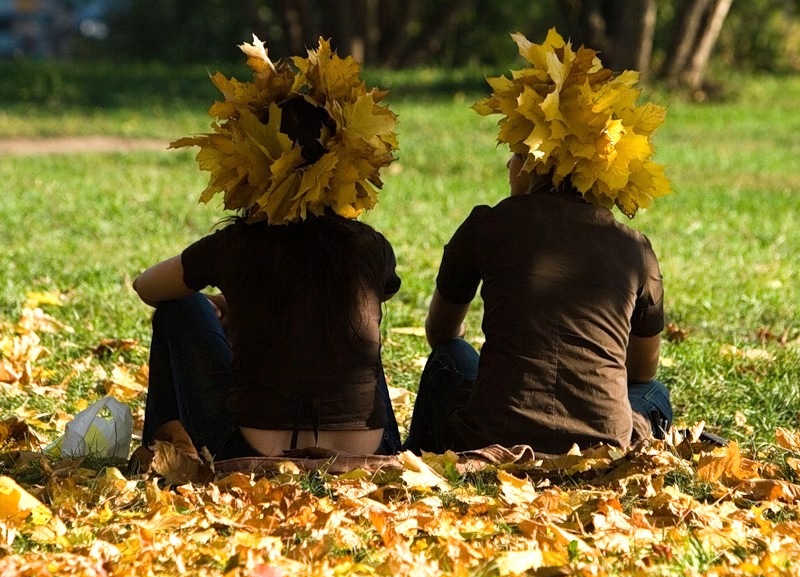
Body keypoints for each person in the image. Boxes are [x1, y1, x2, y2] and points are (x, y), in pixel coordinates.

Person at [403, 29, 673, 456]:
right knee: (653, 394)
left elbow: (441, 332)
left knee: (450, 356)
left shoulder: (488, 223)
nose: (509, 166)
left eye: (516, 153)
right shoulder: (634, 248)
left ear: (534, 163)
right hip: (602, 447)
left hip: (488, 437)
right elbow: (641, 371)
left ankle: (417, 453)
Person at [132, 37, 402, 461]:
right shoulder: (370, 246)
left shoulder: (238, 245)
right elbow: (319, 299)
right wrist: (241, 303)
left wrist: (219, 301)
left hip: (249, 452)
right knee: (351, 322)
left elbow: (147, 287)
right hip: (369, 456)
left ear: (251, 161)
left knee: (179, 307)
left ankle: (160, 450)